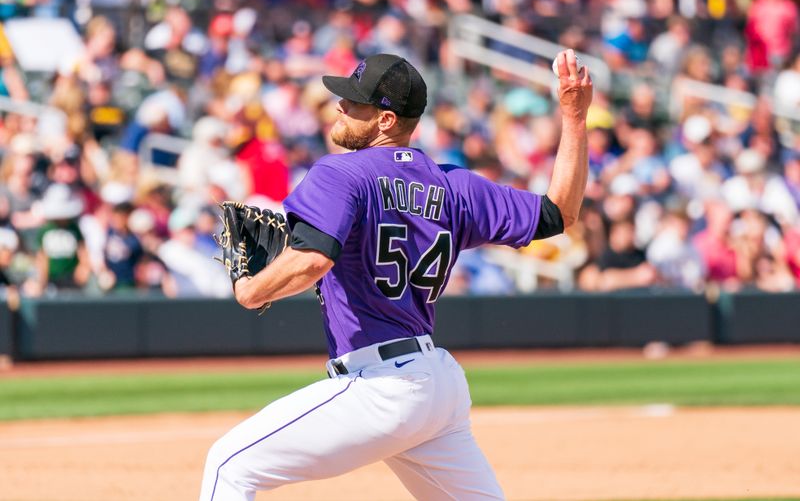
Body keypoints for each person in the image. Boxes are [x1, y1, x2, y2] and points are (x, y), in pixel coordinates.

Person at [199, 50, 593, 500]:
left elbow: (313, 260)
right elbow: (560, 212)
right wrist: (574, 117)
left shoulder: (339, 173)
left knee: (230, 465)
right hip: (437, 387)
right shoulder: (455, 186)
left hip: (381, 387)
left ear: (386, 120)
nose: (340, 106)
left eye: (355, 103)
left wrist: (250, 290)